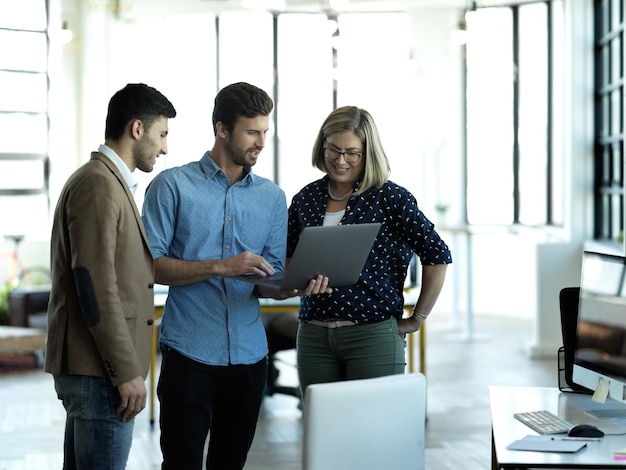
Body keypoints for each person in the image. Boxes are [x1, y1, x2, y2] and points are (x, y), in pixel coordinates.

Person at [141, 81, 329, 470]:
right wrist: (222, 266)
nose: (261, 141)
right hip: (189, 352)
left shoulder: (273, 198)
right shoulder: (172, 186)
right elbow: (151, 266)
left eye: (265, 131)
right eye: (252, 131)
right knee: (181, 464)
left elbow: (269, 282)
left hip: (248, 357)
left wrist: (297, 286)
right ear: (222, 129)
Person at [44, 83, 177, 470]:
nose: (165, 148)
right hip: (100, 371)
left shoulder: (107, 182)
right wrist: (126, 372)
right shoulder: (98, 184)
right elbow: (95, 285)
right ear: (137, 129)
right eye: (162, 134)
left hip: (98, 370)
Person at [289, 105, 452, 394]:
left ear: (368, 153)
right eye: (333, 150)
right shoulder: (306, 198)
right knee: (321, 435)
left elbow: (437, 254)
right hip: (313, 336)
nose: (341, 160)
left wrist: (418, 319)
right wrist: (297, 283)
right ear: (322, 146)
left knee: (373, 434)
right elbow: (288, 261)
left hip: (372, 335)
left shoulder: (391, 198)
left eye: (352, 152)